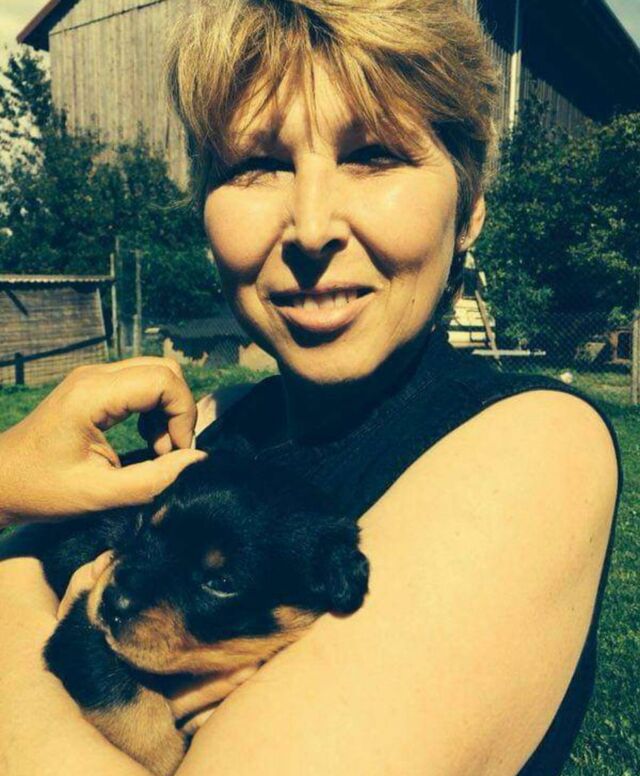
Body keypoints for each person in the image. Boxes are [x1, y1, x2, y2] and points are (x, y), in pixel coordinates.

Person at [0, 1, 622, 774]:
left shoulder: (531, 449)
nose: (311, 226)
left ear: (468, 212)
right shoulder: (218, 427)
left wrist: (15, 598)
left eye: (375, 154)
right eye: (254, 165)